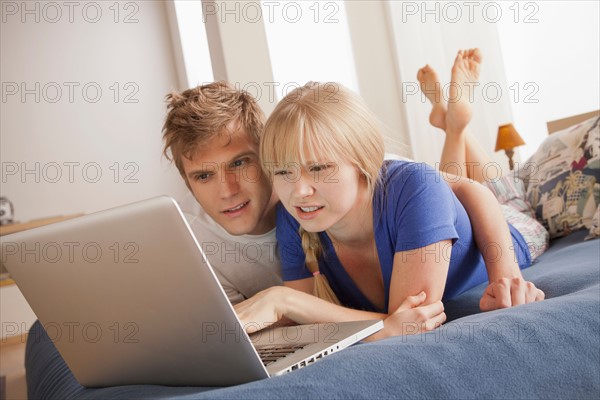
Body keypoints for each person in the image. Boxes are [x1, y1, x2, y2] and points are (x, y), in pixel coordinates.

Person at [234, 49, 546, 341]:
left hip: (515, 224)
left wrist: (504, 274)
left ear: (363, 164)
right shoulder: (297, 216)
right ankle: (450, 124)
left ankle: (456, 127)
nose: (299, 192)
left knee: (507, 188)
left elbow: (410, 322)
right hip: (442, 198)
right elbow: (387, 324)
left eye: (319, 168)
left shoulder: (415, 187)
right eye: (283, 172)